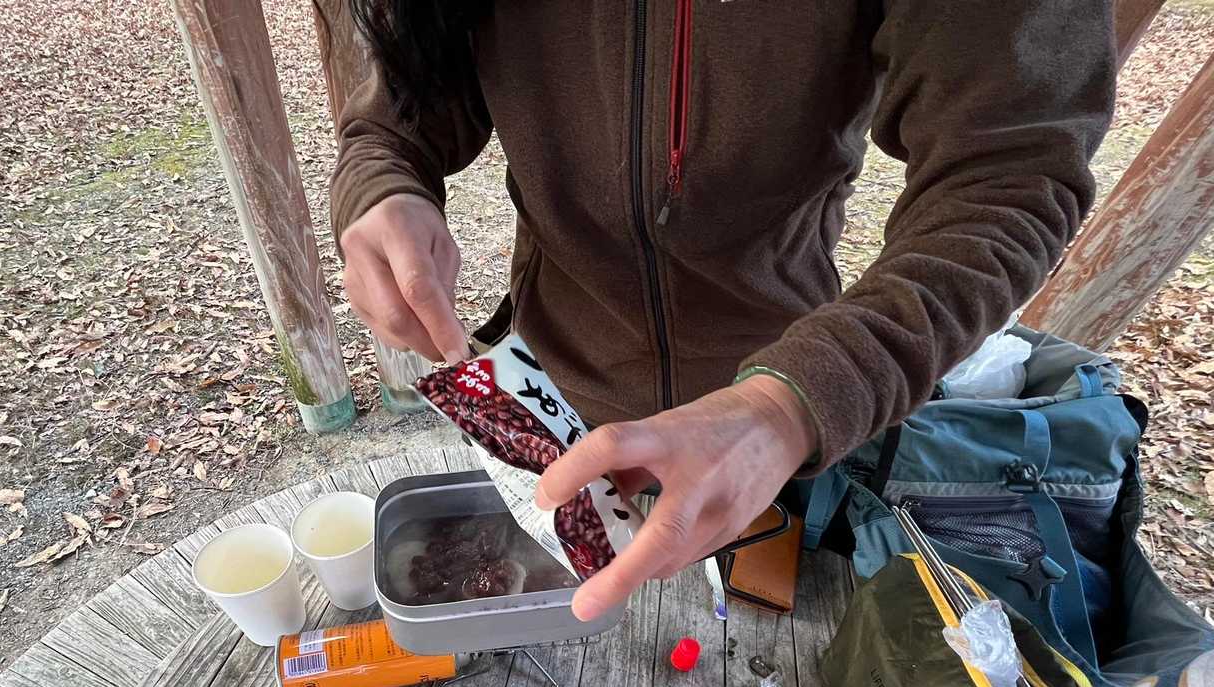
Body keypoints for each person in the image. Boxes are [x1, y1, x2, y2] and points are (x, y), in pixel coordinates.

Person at [332, 0, 1116, 621]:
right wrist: (384, 185)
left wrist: (791, 404)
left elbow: (1007, 173)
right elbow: (403, 98)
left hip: (784, 410)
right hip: (553, 396)